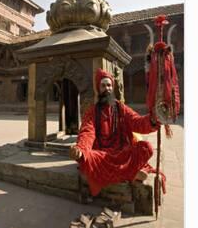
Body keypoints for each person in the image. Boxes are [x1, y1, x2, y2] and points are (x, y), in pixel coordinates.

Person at [69, 68, 166, 198]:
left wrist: (152, 119)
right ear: (99, 88)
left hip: (122, 152)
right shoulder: (92, 112)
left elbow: (137, 122)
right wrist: (81, 149)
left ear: (112, 87)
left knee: (146, 147)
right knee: (86, 158)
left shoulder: (121, 108)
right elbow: (87, 132)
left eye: (109, 85)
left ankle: (124, 173)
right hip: (103, 155)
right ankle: (131, 173)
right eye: (103, 85)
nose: (107, 88)